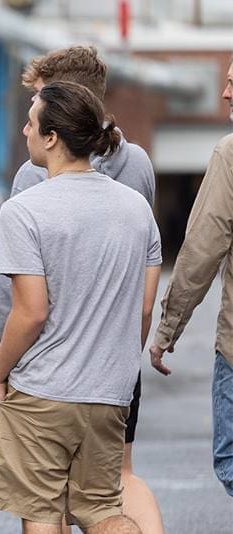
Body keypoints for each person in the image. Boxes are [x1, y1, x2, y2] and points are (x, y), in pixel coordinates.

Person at [0, 45, 164, 533]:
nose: (24, 130)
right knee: (103, 509)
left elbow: (28, 310)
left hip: (42, 389)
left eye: (32, 121)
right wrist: (119, 362)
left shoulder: (26, 206)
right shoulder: (136, 204)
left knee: (42, 513)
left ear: (53, 137)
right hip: (110, 390)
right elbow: (144, 304)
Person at [149, 57, 233, 498]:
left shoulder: (231, 152)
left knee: (232, 462)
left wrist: (167, 328)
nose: (224, 94)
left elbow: (203, 248)